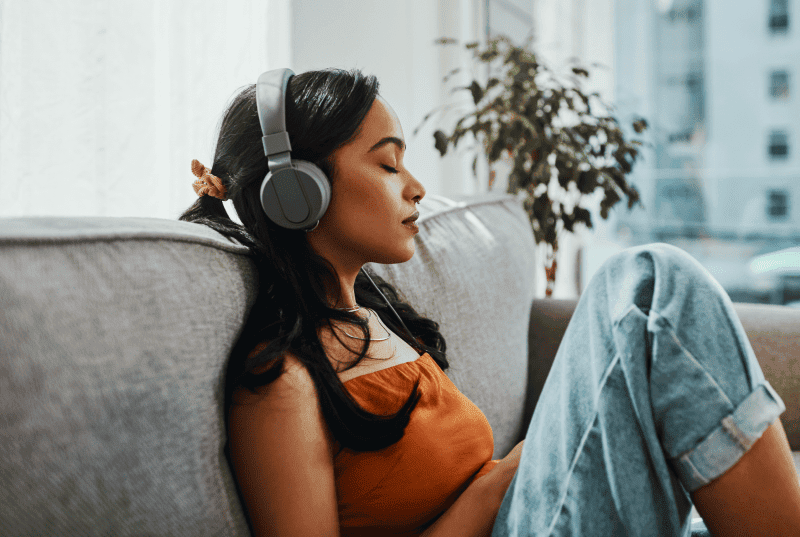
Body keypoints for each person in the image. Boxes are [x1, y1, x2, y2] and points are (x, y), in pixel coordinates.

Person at [179, 68, 800, 537]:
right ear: (296, 193)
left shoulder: (379, 320)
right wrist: (500, 482)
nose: (417, 187)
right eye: (389, 165)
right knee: (648, 287)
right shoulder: (280, 384)